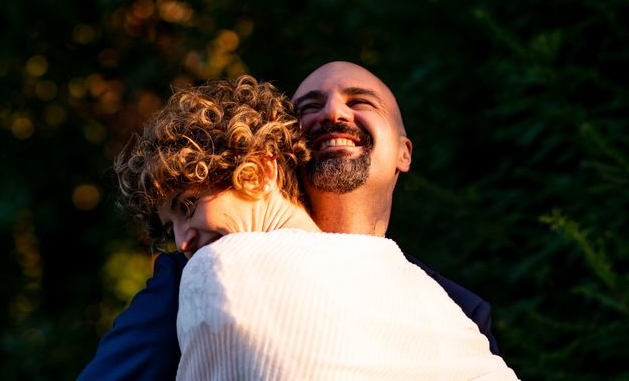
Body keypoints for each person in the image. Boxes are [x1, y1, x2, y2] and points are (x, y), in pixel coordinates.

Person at [79, 62, 503, 380]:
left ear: (404, 152)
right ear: (285, 152)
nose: (333, 111)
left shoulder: (455, 310)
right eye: (310, 107)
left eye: (360, 101)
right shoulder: (192, 276)